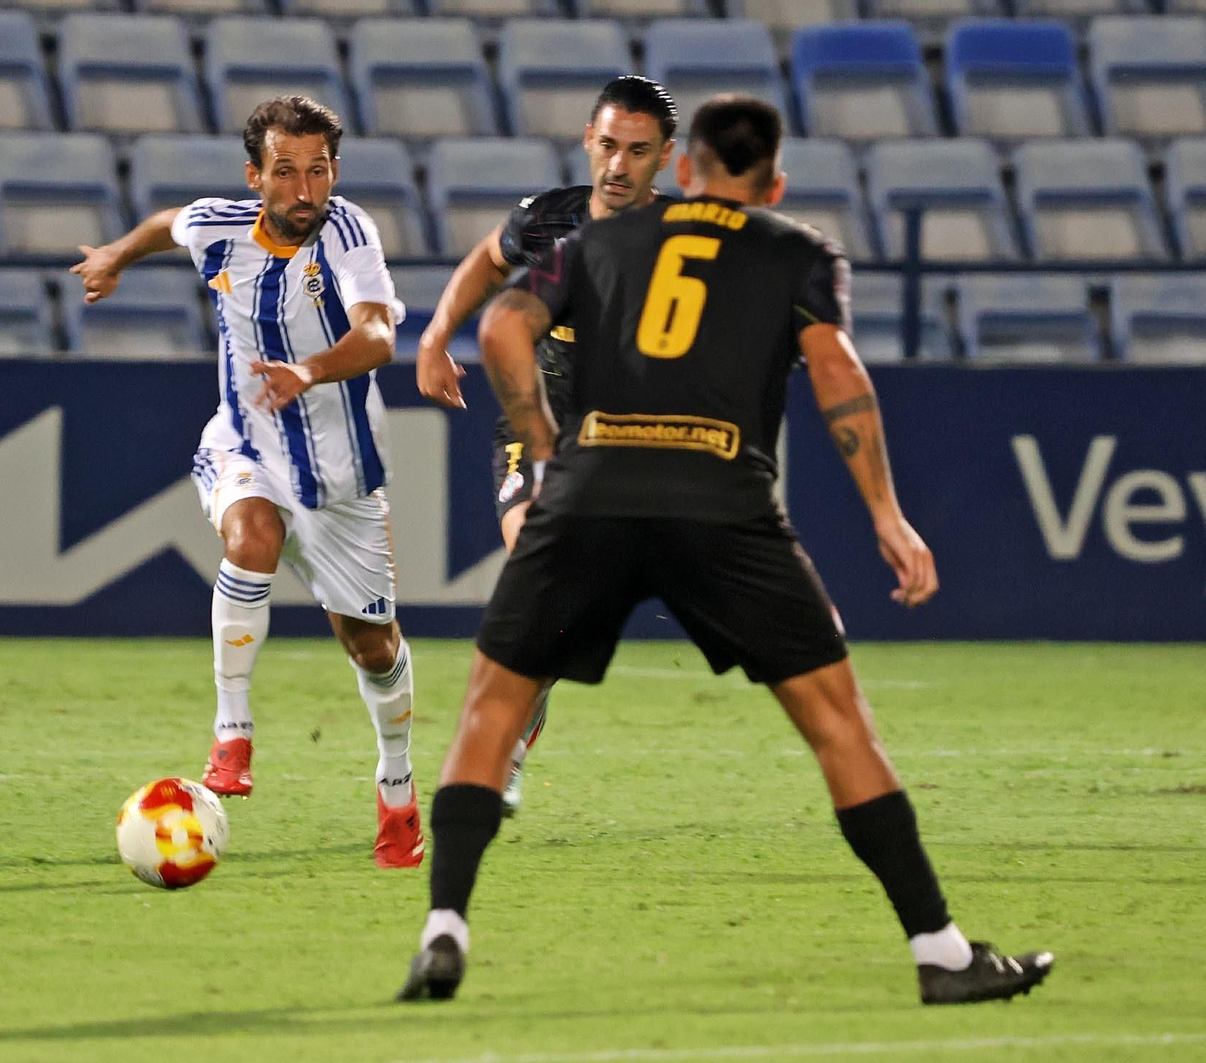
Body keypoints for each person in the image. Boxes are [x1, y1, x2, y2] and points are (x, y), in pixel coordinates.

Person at [397, 95, 1055, 1001]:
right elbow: (839, 374)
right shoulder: (798, 251)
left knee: (490, 709)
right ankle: (939, 952)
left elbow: (505, 323)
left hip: (590, 494)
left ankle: (444, 928)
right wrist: (888, 517)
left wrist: (544, 444)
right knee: (836, 720)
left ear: (685, 167)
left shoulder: (602, 241)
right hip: (720, 499)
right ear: (773, 182)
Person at [71, 95, 424, 870]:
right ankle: (232, 734)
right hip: (245, 442)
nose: (305, 190)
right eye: (286, 172)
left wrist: (307, 368)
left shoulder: (349, 231)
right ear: (255, 176)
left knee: (373, 648)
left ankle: (396, 784)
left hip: (340, 476)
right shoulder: (218, 228)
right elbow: (168, 224)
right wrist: (112, 260)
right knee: (251, 534)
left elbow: (378, 336)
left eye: (319, 170)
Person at [415, 75, 678, 815]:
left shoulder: (688, 241)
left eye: (636, 151)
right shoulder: (546, 220)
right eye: (606, 146)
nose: (618, 166)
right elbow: (485, 263)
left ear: (665, 158)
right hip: (537, 427)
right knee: (540, 564)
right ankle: (503, 753)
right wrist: (436, 336)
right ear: (587, 144)